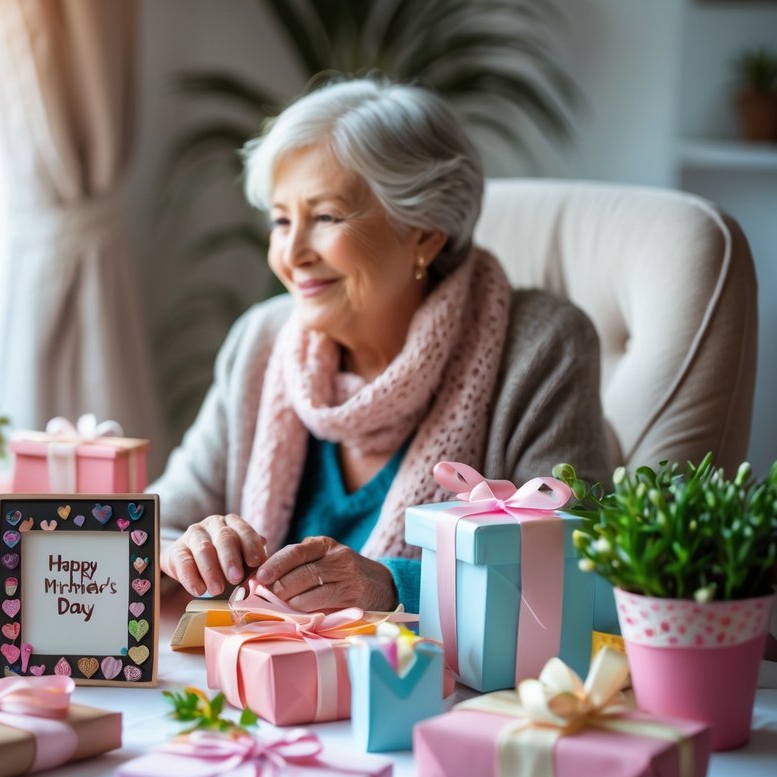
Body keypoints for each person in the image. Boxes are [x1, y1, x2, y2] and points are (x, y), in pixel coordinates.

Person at [153, 77, 609, 615]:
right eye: (281, 220)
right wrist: (183, 552)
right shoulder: (263, 338)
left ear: (424, 232)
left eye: (325, 217)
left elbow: (575, 580)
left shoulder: (542, 346)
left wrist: (393, 587)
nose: (291, 253)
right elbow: (159, 525)